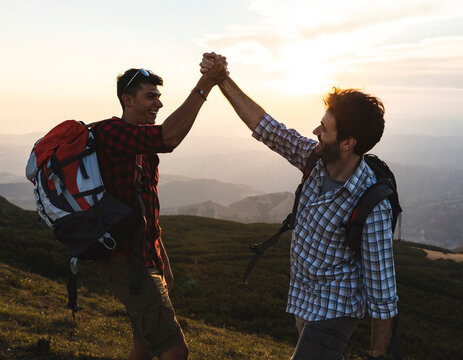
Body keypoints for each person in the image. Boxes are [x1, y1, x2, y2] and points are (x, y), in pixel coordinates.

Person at [200, 53, 398, 360]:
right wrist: (222, 79)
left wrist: (377, 355)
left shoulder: (371, 205)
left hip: (336, 308)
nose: (315, 132)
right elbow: (267, 128)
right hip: (305, 300)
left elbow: (382, 291)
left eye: (324, 128)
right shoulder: (315, 160)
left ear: (348, 143)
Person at [92, 62, 228, 360]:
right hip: (122, 260)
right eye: (151, 97)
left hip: (143, 257)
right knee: (175, 350)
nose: (159, 103)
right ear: (128, 100)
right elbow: (168, 138)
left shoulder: (141, 144)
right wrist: (204, 85)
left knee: (144, 344)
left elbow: (146, 211)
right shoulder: (111, 133)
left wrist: (162, 259)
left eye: (158, 96)